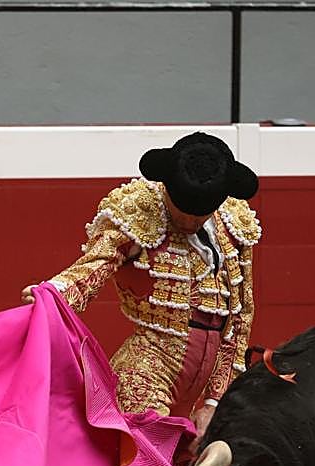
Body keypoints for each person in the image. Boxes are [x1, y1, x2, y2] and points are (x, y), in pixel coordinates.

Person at [23, 132, 262, 442]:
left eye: (199, 215)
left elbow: (240, 318)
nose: (189, 221)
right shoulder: (139, 211)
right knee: (145, 464)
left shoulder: (233, 224)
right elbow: (96, 264)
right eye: (181, 210)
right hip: (147, 370)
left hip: (207, 380)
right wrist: (53, 295)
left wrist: (216, 400)